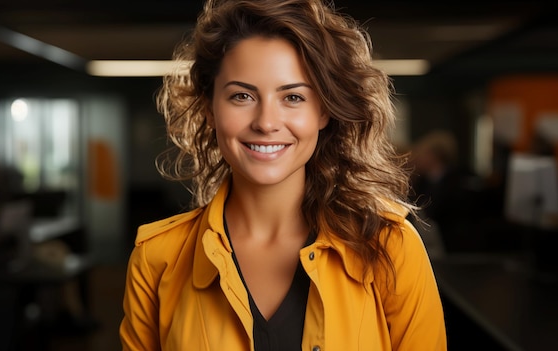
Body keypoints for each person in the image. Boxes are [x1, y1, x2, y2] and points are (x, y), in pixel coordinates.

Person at [120, 0, 447, 350]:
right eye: (242, 96)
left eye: (292, 97)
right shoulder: (156, 259)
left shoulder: (390, 247)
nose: (266, 122)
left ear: (323, 111)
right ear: (210, 109)